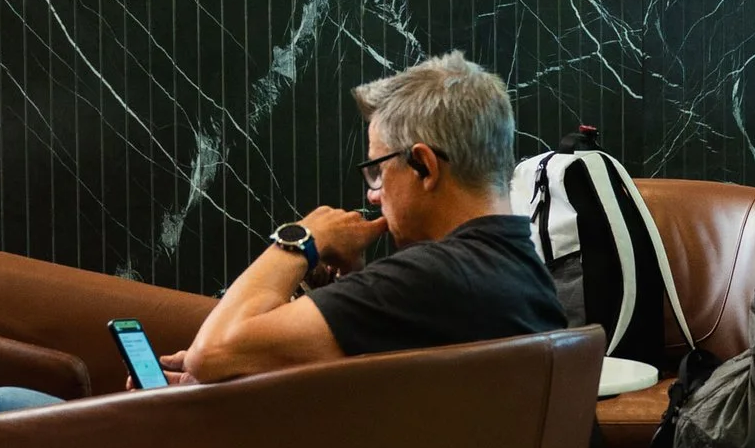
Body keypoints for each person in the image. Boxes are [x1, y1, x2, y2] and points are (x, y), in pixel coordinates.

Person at [177, 54, 567, 378]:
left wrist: (305, 237)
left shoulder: (433, 276)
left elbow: (210, 352)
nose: (372, 194)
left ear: (424, 166)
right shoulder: (519, 266)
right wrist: (348, 291)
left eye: (378, 170)